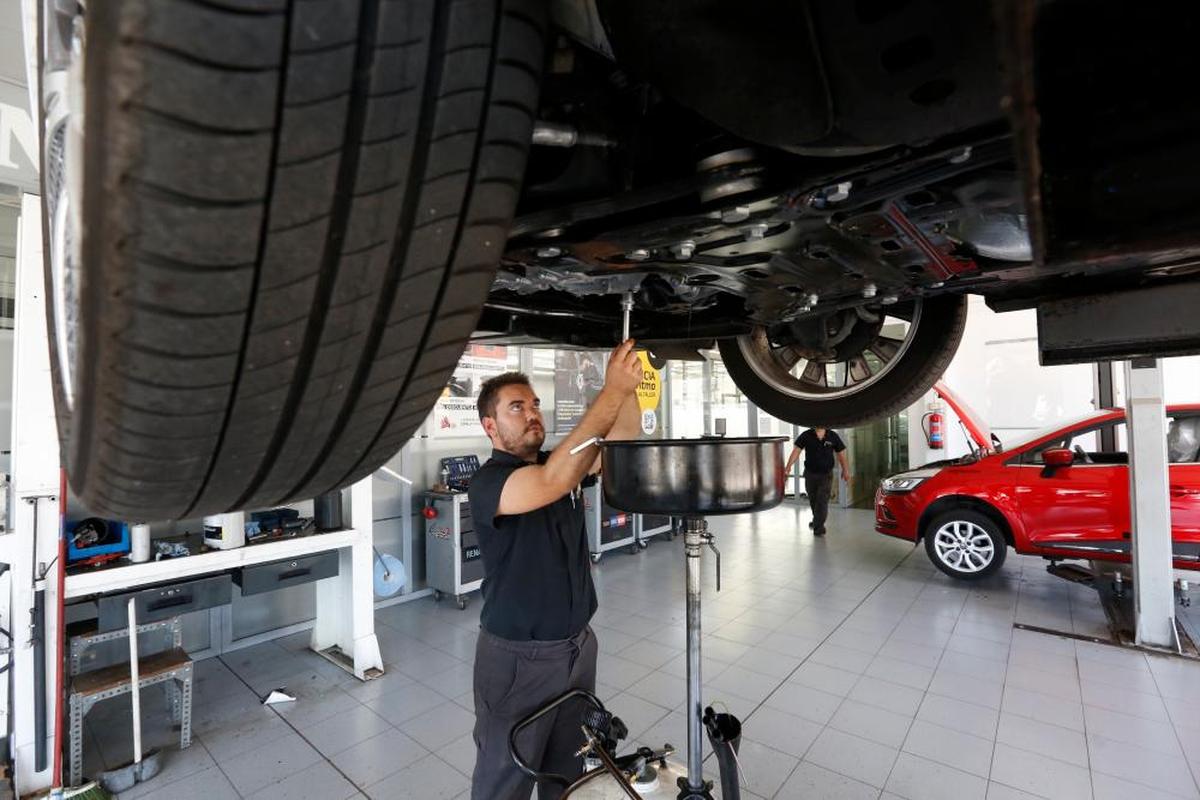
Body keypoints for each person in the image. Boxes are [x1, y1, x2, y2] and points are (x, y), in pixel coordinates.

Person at [468, 340, 643, 800]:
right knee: (504, 778)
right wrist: (609, 391)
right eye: (516, 407)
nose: (532, 414)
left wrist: (630, 383)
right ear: (490, 426)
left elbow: (622, 446)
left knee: (566, 771)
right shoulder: (488, 483)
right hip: (518, 661)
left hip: (577, 649)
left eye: (536, 404)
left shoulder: (555, 464)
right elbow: (551, 482)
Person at [785, 427, 850, 537]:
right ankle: (817, 521)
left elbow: (841, 454)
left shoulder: (832, 436)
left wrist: (846, 469)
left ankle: (818, 529)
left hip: (826, 475)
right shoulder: (806, 435)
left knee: (822, 500)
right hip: (810, 474)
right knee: (813, 500)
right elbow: (796, 451)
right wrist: (788, 467)